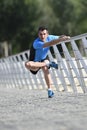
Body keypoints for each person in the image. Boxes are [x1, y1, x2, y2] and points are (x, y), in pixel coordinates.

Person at [25, 26, 70, 98]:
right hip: (35, 62)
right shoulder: (36, 43)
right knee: (27, 64)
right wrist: (61, 39)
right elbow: (49, 44)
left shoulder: (50, 37)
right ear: (38, 35)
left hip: (43, 59)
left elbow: (59, 37)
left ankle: (49, 90)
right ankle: (48, 63)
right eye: (40, 34)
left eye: (44, 34)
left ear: (47, 34)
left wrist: (64, 36)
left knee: (46, 70)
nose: (42, 36)